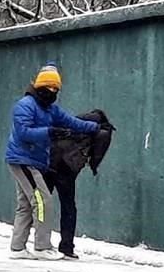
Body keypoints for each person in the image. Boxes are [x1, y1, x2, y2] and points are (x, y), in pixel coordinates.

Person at [5, 63, 99, 261]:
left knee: (25, 204)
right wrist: (49, 132)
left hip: (32, 160)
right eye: (49, 87)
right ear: (40, 86)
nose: (53, 91)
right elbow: (24, 133)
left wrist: (95, 127)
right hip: (23, 159)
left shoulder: (50, 109)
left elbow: (71, 122)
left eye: (56, 89)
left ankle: (17, 248)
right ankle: (42, 246)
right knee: (42, 201)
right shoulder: (25, 106)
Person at [46, 110, 116, 259]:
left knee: (41, 204)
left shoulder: (73, 122)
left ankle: (38, 243)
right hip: (67, 169)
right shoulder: (102, 131)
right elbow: (97, 154)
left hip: (51, 162)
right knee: (68, 207)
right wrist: (93, 166)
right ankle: (67, 247)